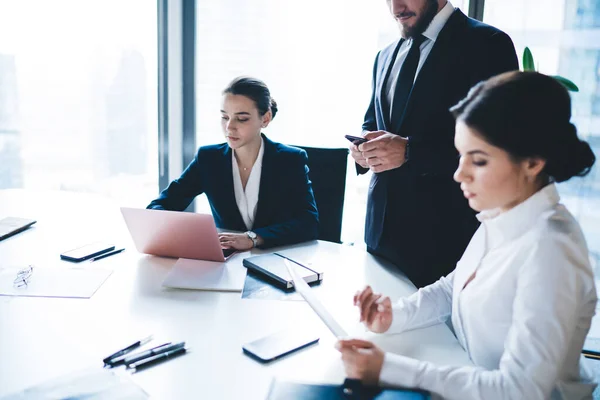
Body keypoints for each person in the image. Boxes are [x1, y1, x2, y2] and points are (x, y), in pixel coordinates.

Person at [337, 71, 597, 399]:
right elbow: (454, 287)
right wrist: (394, 315)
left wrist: (388, 368)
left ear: (532, 163)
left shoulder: (552, 250)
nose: (459, 173)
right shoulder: (503, 213)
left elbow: (520, 391)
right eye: (461, 155)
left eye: (478, 160)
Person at [352, 0, 519, 287]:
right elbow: (373, 122)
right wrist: (363, 150)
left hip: (444, 240)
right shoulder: (385, 55)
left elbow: (500, 145)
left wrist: (410, 151)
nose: (396, 7)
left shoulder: (488, 44)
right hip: (379, 236)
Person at [147, 76, 319, 250]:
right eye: (224, 117)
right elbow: (162, 204)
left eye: (242, 118)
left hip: (278, 259)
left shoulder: (289, 160)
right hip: (227, 262)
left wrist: (253, 238)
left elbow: (308, 223)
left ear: (265, 119)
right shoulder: (209, 158)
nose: (230, 127)